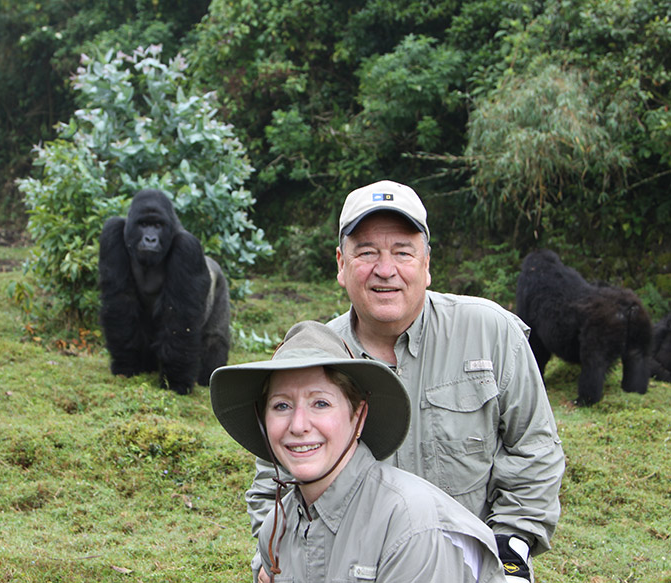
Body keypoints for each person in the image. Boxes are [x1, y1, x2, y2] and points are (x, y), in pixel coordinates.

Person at [246, 180, 565, 583]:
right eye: (366, 253)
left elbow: (534, 447)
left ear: (426, 263)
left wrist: (512, 547)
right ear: (341, 265)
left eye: (402, 252)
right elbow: (271, 481)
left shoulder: (491, 333)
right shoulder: (311, 355)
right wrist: (278, 558)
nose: (385, 269)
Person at [211, 320, 507, 583]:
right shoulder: (276, 527)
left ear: (358, 415)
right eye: (282, 406)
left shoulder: (412, 526)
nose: (298, 425)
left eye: (321, 403)